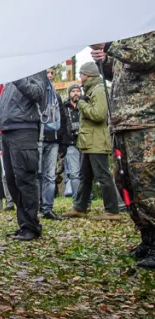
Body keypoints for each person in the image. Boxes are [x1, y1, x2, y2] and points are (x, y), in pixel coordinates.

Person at [92, 33, 155, 269]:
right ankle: (147, 239)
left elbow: (145, 58)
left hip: (145, 122)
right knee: (126, 182)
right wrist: (105, 60)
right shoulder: (125, 37)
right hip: (122, 123)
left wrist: (109, 45)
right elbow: (115, 74)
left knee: (146, 184)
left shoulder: (149, 33)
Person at [0, 71, 46, 241]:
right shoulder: (12, 74)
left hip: (24, 130)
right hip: (8, 131)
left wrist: (17, 77)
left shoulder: (36, 68)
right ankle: (24, 225)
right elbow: (4, 106)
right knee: (13, 181)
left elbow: (37, 93)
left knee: (25, 179)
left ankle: (32, 227)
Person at [60, 62, 123, 221]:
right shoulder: (91, 90)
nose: (79, 78)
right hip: (89, 142)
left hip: (97, 141)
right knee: (85, 176)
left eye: (81, 74)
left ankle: (112, 210)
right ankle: (80, 207)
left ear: (88, 75)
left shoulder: (99, 90)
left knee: (103, 176)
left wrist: (81, 103)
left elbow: (99, 115)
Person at [38, 68, 66, 221]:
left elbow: (63, 118)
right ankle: (36, 206)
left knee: (49, 175)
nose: (49, 75)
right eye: (46, 72)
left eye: (51, 73)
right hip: (39, 139)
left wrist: (63, 142)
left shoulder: (56, 96)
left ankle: (47, 208)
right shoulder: (37, 93)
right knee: (37, 174)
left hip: (54, 140)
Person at [61, 83, 83, 200]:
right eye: (73, 91)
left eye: (78, 91)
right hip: (70, 144)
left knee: (85, 174)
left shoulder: (85, 105)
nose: (76, 93)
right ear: (69, 94)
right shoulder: (64, 108)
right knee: (74, 174)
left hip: (85, 143)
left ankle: (87, 200)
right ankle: (77, 201)